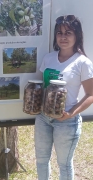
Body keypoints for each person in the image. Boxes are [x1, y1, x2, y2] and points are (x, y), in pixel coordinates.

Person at [35, 15, 93, 180]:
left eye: (68, 32)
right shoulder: (48, 58)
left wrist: (71, 114)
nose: (63, 37)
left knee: (64, 164)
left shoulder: (82, 63)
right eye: (59, 33)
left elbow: (91, 94)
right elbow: (43, 86)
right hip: (43, 118)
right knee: (41, 160)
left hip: (66, 121)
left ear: (77, 36)